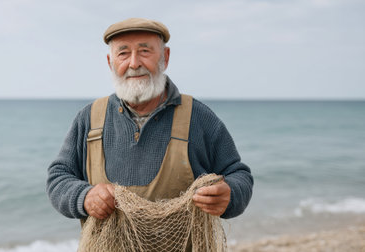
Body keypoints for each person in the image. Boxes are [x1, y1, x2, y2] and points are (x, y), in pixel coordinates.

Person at [47, 18, 253, 223]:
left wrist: (230, 195)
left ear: (165, 57)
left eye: (145, 51)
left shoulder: (199, 117)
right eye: (123, 53)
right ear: (110, 62)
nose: (134, 63)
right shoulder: (88, 118)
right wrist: (83, 197)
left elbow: (238, 174)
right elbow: (58, 177)